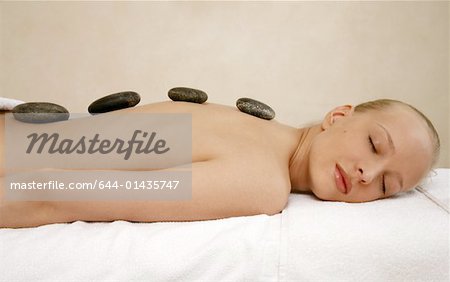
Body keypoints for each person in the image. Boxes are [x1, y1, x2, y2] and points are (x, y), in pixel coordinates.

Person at [0, 98, 440, 228]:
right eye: (374, 145)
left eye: (387, 186)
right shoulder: (261, 182)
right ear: (338, 116)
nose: (369, 174)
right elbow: (53, 193)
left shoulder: (248, 126)